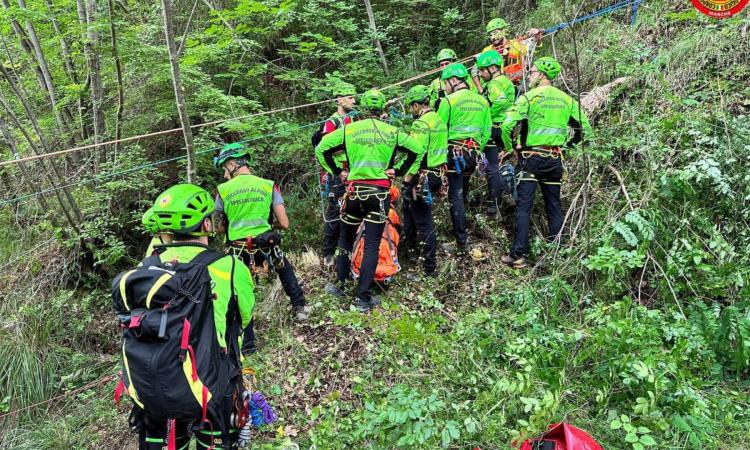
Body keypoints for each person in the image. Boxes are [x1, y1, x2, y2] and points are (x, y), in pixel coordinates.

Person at [133, 184, 255, 450]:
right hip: (213, 382)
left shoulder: (148, 267)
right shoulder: (231, 266)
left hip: (156, 381)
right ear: (207, 225)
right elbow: (244, 318)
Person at [316, 89, 422, 312]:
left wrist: (337, 171)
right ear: (383, 108)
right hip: (378, 194)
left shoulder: (349, 129)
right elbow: (417, 150)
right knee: (372, 243)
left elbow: (321, 148)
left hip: (354, 193)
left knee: (345, 239)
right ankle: (364, 297)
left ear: (363, 108)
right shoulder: (392, 131)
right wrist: (400, 170)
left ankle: (341, 285)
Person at [213, 143, 310, 355]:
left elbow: (219, 227)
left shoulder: (223, 191)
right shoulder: (268, 185)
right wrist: (268, 225)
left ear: (232, 164)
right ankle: (300, 307)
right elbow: (284, 223)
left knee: (239, 294)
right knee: (285, 269)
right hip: (266, 246)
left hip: (238, 251)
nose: (223, 173)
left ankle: (248, 345)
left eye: (224, 168)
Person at [500, 57, 591, 268]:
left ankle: (518, 255)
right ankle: (555, 253)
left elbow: (506, 126)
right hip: (554, 161)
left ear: (541, 74)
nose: (529, 75)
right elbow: (584, 129)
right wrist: (567, 147)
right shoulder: (566, 100)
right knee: (554, 206)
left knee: (524, 207)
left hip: (531, 159)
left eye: (531, 72)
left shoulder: (529, 97)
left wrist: (510, 147)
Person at [436, 63, 492, 253]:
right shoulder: (482, 101)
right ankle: (464, 230)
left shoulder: (448, 101)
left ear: (453, 80)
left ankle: (461, 242)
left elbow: (438, 130)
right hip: (472, 154)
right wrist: (476, 149)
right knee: (463, 190)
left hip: (454, 152)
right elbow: (487, 131)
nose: (444, 88)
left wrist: (438, 158)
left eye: (445, 83)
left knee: (456, 194)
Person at [400, 84, 448, 277]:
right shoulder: (438, 119)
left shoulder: (421, 123)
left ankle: (429, 268)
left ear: (417, 105)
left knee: (423, 220)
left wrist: (406, 178)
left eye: (412, 107)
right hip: (436, 174)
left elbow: (416, 154)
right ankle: (411, 251)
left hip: (422, 177)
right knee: (408, 210)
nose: (412, 111)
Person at [312, 82, 357, 267]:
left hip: (352, 171)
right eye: (350, 97)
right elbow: (325, 149)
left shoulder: (353, 120)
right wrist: (338, 171)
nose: (354, 100)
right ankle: (328, 253)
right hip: (337, 174)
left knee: (352, 210)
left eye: (354, 97)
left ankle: (348, 250)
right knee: (335, 213)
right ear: (339, 100)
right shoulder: (332, 122)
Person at [476, 49, 516, 216]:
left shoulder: (494, 84)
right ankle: (506, 194)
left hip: (496, 126)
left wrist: (487, 115)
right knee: (499, 164)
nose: (480, 74)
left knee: (491, 166)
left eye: (482, 70)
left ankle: (496, 202)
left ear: (492, 68)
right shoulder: (505, 81)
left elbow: (499, 101)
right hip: (505, 124)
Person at [473, 17, 543, 90]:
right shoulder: (487, 51)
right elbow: (474, 71)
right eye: (490, 35)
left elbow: (536, 47)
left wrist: (536, 36)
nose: (493, 37)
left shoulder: (516, 44)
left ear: (503, 31)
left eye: (495, 33)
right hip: (496, 88)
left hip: (517, 85)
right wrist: (480, 90)